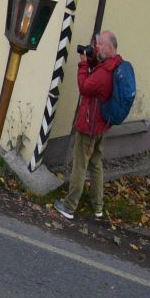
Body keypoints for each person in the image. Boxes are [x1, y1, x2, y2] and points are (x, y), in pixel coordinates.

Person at [56, 30, 132, 221]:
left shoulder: (103, 74)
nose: (96, 46)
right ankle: (98, 206)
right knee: (96, 164)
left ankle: (69, 206)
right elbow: (99, 72)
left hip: (90, 126)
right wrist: (92, 60)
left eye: (100, 44)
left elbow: (85, 86)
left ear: (110, 47)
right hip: (102, 126)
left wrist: (83, 63)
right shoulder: (115, 65)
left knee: (80, 164)